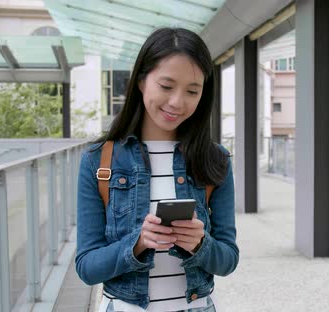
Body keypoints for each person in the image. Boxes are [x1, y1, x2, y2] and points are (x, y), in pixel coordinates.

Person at [75, 28, 239, 312]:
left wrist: (201, 245)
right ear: (141, 81)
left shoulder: (215, 160)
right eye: (166, 86)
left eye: (192, 91)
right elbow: (87, 267)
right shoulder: (98, 161)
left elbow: (228, 259)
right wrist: (137, 243)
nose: (177, 102)